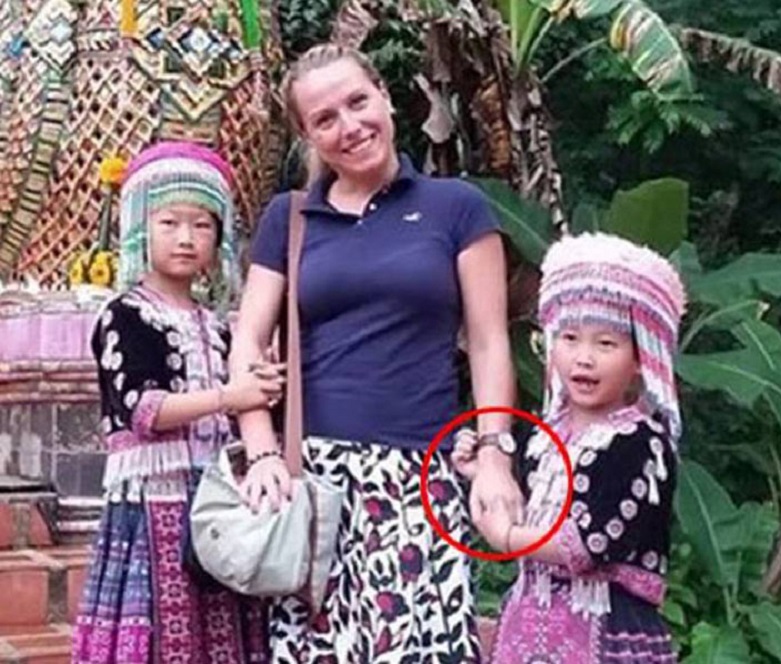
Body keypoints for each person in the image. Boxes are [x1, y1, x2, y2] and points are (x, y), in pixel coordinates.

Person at [230, 43, 520, 662]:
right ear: (307, 136)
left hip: (421, 479)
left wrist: (496, 455)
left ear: (385, 97)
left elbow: (489, 340)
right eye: (324, 119)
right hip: (313, 489)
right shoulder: (289, 217)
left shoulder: (456, 206)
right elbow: (248, 341)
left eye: (358, 102)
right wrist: (261, 453)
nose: (350, 126)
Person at [72, 141, 283, 663]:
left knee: (221, 629)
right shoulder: (125, 315)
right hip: (152, 501)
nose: (186, 238)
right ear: (140, 229)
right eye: (169, 223)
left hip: (219, 499)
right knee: (158, 634)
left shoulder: (219, 326)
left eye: (202, 225)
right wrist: (231, 397)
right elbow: (144, 411)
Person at [454, 232, 685, 663]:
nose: (584, 357)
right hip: (527, 628)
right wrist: (482, 475)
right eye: (570, 337)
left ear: (641, 358)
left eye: (606, 344)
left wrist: (506, 537)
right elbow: (525, 509)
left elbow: (591, 544)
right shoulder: (542, 439)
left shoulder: (639, 443)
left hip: (609, 633)